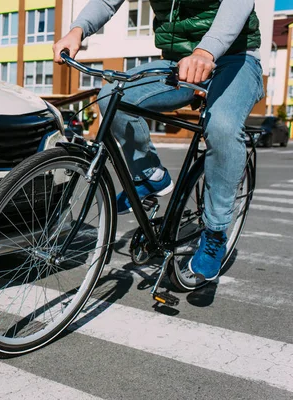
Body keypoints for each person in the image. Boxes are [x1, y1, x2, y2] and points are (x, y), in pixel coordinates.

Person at [53, 0, 264, 282]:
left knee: (223, 126)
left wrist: (206, 50)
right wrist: (77, 30)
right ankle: (150, 174)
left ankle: (215, 232)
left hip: (236, 58)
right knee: (111, 96)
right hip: (179, 62)